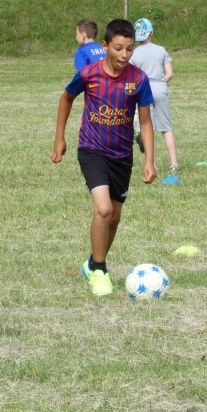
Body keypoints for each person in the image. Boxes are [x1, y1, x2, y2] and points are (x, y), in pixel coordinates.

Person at [52, 19, 157, 296]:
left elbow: (145, 122)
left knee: (114, 218)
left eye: (130, 49)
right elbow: (66, 98)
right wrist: (59, 137)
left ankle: (91, 263)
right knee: (103, 209)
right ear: (105, 46)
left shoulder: (138, 80)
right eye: (119, 48)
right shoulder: (89, 74)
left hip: (122, 156)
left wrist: (149, 159)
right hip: (92, 150)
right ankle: (99, 269)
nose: (124, 55)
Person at [130, 18, 179, 172]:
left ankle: (152, 164)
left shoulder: (133, 53)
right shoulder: (161, 50)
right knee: (166, 128)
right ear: (152, 33)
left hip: (144, 92)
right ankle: (174, 164)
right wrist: (161, 83)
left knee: (147, 128)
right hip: (161, 89)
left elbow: (131, 78)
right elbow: (169, 73)